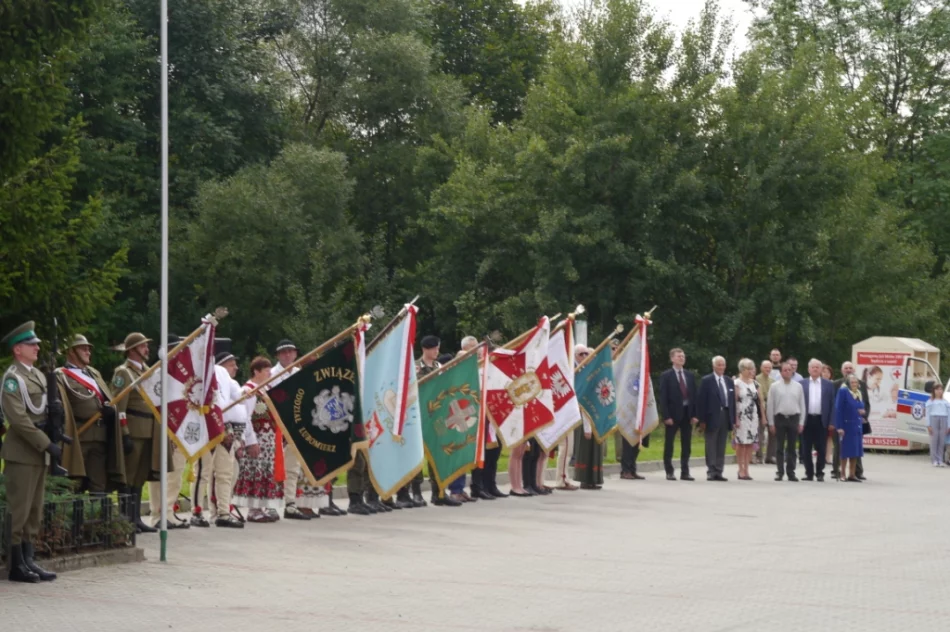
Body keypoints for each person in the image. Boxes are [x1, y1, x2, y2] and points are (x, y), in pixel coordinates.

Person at [1, 321, 60, 582]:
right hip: (22, 451)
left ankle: (28, 559)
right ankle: (15, 565)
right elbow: (19, 419)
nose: (37, 347)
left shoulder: (36, 375)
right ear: (18, 350)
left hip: (37, 451)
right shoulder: (12, 379)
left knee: (34, 510)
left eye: (36, 343)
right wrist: (46, 443)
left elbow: (44, 410)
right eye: (31, 344)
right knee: (19, 510)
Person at [111, 332, 175, 533]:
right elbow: (119, 406)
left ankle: (136, 518)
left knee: (139, 478)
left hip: (149, 430)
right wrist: (124, 432)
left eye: (146, 346)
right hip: (134, 429)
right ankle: (125, 520)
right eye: (143, 346)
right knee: (128, 477)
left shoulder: (148, 371)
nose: (147, 349)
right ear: (132, 350)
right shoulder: (123, 373)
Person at [57, 334, 128, 495]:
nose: (88, 351)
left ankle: (99, 519)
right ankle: (75, 519)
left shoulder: (93, 374)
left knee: (99, 485)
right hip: (78, 437)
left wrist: (111, 411)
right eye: (83, 348)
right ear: (71, 352)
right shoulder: (61, 375)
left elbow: (108, 397)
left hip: (100, 435)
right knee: (75, 483)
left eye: (89, 348)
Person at [190, 352, 250, 528]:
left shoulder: (226, 378)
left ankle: (223, 512)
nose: (235, 367)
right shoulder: (203, 373)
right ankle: (197, 511)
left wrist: (246, 392)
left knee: (225, 473)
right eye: (232, 364)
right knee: (202, 472)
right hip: (206, 425)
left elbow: (237, 394)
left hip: (225, 428)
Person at [232, 357, 285, 522]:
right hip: (257, 438)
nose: (270, 373)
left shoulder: (264, 389)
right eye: (267, 370)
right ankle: (253, 510)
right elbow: (245, 417)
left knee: (265, 473)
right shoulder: (249, 391)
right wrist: (251, 441)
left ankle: (262, 506)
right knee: (256, 472)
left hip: (268, 440)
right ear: (256, 371)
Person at [269, 338, 310, 521]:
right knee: (272, 466)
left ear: (295, 354)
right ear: (278, 355)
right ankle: (270, 503)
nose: (287, 355)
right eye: (283, 352)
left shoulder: (299, 373)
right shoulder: (271, 375)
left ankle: (290, 503)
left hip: (296, 425)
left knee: (293, 467)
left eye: (290, 351)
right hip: (276, 426)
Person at [658, 347, 698, 481]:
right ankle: (669, 471)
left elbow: (694, 396)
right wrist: (666, 416)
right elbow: (663, 398)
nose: (682, 358)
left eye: (683, 356)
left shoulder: (689, 375)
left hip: (687, 413)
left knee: (686, 444)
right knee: (669, 444)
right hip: (673, 415)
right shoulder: (666, 375)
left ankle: (685, 471)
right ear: (672, 358)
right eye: (679, 356)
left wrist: (694, 414)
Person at [696, 356, 735, 481]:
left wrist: (733, 419)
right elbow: (701, 401)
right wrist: (702, 420)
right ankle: (711, 470)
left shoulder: (729, 381)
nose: (721, 367)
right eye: (719, 365)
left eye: (723, 364)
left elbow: (732, 401)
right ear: (714, 366)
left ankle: (719, 470)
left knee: (721, 444)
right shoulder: (707, 380)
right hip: (712, 416)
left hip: (725, 414)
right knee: (711, 444)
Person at [767, 362, 806, 482]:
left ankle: (791, 472)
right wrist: (771, 423)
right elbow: (770, 405)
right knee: (779, 447)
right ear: (781, 372)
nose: (787, 372)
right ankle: (780, 472)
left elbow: (802, 404)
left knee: (792, 447)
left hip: (793, 418)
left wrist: (801, 422)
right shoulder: (774, 386)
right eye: (785, 370)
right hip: (780, 418)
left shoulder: (798, 386)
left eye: (789, 370)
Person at [573, 344, 605, 490]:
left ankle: (594, 479)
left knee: (596, 449)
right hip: (585, 415)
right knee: (585, 449)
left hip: (596, 416)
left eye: (590, 356)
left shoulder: (596, 375)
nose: (587, 358)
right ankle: (584, 479)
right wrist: (586, 425)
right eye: (583, 355)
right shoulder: (581, 374)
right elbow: (584, 399)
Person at [832, 362, 869, 480]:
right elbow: (837, 407)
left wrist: (864, 415)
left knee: (855, 449)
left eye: (850, 368)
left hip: (856, 423)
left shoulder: (860, 388)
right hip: (845, 423)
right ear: (842, 370)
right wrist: (837, 424)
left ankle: (855, 473)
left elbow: (866, 403)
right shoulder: (839, 386)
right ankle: (838, 472)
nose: (848, 370)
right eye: (846, 368)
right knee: (841, 449)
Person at [800, 359, 835, 482]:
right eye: (812, 367)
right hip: (807, 419)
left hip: (821, 420)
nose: (815, 369)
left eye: (817, 367)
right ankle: (808, 473)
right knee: (806, 448)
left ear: (821, 370)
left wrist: (831, 422)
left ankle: (820, 472)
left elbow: (832, 404)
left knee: (821, 448)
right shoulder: (802, 383)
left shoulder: (828, 385)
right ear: (809, 369)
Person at [733, 358, 763, 481]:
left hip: (753, 416)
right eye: (749, 369)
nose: (752, 371)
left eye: (752, 368)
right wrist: (735, 419)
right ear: (742, 370)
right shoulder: (736, 383)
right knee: (741, 443)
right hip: (741, 415)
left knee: (750, 443)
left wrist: (763, 418)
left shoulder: (756, 384)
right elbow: (734, 402)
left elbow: (760, 402)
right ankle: (740, 469)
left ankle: (747, 469)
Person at [926, 383, 950, 467]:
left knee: (941, 440)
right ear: (934, 391)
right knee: (934, 440)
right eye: (937, 389)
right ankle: (934, 460)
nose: (939, 391)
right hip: (934, 419)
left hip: (943, 419)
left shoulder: (945, 402)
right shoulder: (930, 402)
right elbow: (928, 414)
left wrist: (948, 425)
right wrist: (928, 425)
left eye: (941, 389)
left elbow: (949, 414)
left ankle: (940, 459)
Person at [755, 361, 775, 464]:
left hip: (771, 407)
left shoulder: (773, 380)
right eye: (766, 367)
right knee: (760, 433)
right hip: (760, 408)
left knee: (772, 432)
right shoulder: (757, 379)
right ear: (761, 368)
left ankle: (770, 456)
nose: (768, 369)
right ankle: (759, 456)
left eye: (769, 367)